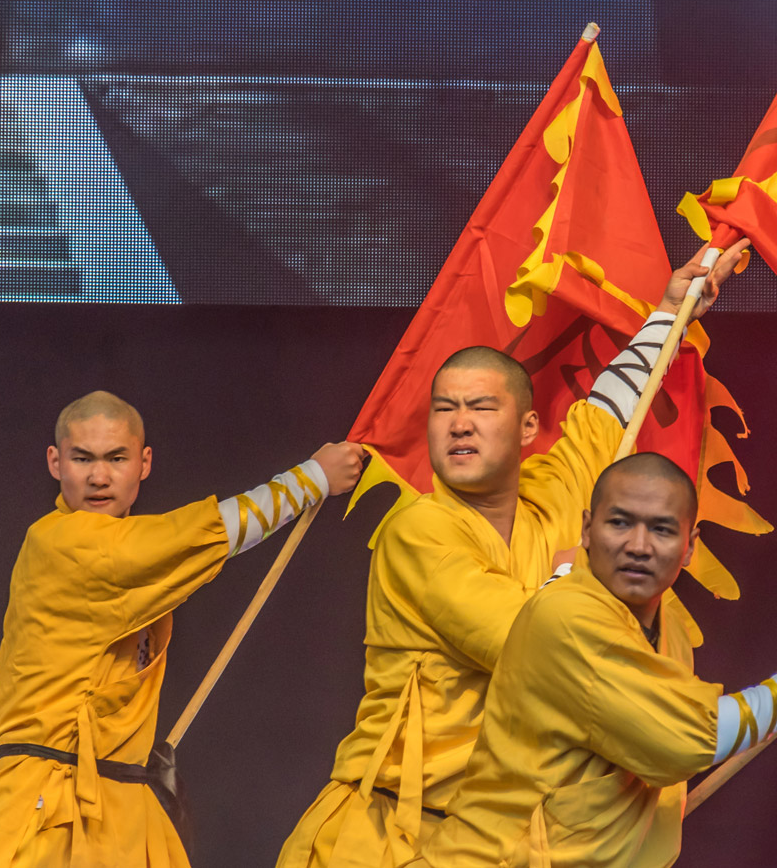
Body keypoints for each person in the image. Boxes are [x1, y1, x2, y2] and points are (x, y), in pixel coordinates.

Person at [276, 241, 751, 868]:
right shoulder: (418, 529)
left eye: (481, 407)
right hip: (390, 835)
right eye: (444, 409)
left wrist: (672, 310)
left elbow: (607, 412)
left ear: (528, 428)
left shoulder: (554, 495)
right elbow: (531, 644)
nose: (459, 423)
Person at [0, 391, 367, 868]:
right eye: (82, 458)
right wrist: (312, 479)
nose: (99, 476)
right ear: (55, 462)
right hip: (48, 811)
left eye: (116, 458)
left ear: (144, 463)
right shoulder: (62, 542)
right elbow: (206, 534)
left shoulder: (122, 549)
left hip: (121, 804)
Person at [414, 453, 777, 867]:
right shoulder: (567, 615)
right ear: (586, 529)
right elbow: (685, 739)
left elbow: (654, 747)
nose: (638, 545)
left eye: (661, 529)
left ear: (689, 546)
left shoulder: (667, 624)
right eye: (619, 523)